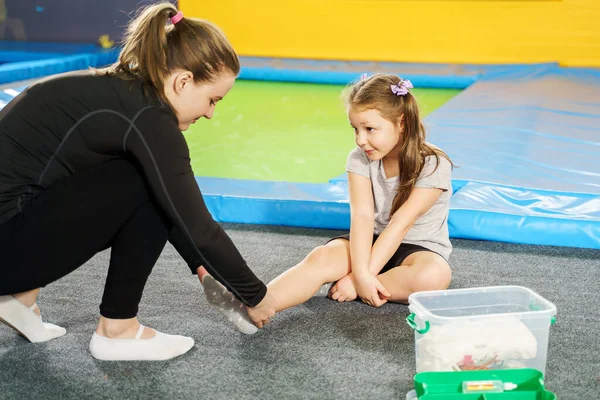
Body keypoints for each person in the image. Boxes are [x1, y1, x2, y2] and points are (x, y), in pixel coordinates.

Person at [0, 2, 276, 361]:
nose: (211, 113)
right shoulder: (150, 118)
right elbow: (198, 225)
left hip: (11, 234)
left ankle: (19, 300)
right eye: (212, 100)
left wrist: (200, 265)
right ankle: (118, 329)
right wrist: (257, 295)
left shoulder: (125, 94)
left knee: (141, 176)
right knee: (142, 179)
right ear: (182, 81)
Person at [203, 73, 453, 323]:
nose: (360, 139)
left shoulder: (433, 163)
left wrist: (359, 279)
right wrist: (361, 270)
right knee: (320, 257)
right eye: (355, 129)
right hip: (368, 242)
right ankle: (254, 308)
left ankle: (339, 287)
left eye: (369, 129)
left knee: (433, 278)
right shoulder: (359, 158)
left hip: (418, 250)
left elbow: (401, 223)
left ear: (401, 123)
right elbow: (363, 217)